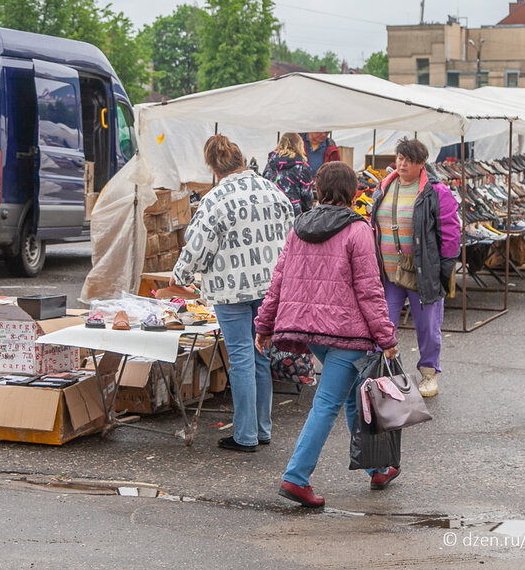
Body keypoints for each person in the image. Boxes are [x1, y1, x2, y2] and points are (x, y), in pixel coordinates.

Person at [254, 162, 400, 508]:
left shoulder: (299, 227)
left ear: (318, 191)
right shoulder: (357, 230)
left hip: (311, 332)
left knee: (351, 398)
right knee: (327, 403)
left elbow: (278, 281)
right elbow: (369, 290)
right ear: (352, 192)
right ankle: (296, 477)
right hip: (348, 334)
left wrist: (264, 325)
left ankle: (379, 467)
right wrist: (387, 336)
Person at [167, 135, 294, 453]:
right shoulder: (272, 189)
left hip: (231, 288)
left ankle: (246, 435)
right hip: (270, 287)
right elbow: (291, 234)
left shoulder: (216, 198)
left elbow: (198, 246)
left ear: (213, 167)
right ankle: (262, 429)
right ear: (241, 159)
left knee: (240, 359)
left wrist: (180, 277)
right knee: (260, 356)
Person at [369, 138, 460, 398]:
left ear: (422, 163)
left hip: (423, 272)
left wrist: (443, 270)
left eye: (408, 159)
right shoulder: (384, 186)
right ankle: (381, 374)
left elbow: (451, 233)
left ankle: (429, 372)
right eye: (399, 157)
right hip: (388, 273)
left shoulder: (436, 192)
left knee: (427, 326)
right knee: (383, 324)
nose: (402, 163)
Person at [263, 132, 314, 216]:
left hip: (271, 211)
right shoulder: (302, 167)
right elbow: (307, 196)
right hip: (293, 213)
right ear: (299, 145)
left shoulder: (269, 165)